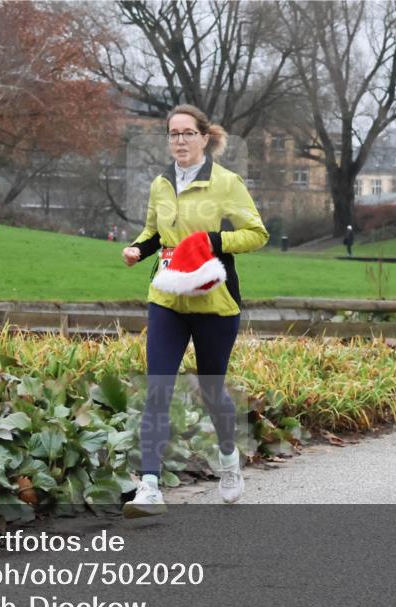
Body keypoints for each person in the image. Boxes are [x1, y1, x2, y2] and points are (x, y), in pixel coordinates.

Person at [120, 104, 269, 518]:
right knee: (158, 387)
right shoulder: (160, 185)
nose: (180, 141)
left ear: (205, 138)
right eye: (173, 134)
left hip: (215, 301)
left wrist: (212, 241)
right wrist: (138, 248)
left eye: (188, 133)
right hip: (167, 297)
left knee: (210, 390)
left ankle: (227, 459)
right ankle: (150, 486)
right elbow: (153, 232)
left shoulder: (226, 183)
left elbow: (257, 233)